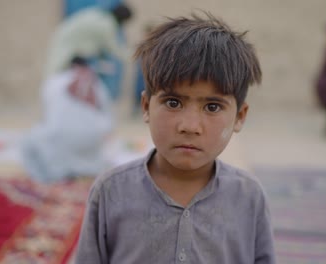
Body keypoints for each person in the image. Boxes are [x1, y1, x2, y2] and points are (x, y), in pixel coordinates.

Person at [75, 12, 276, 263]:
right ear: (146, 107)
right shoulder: (111, 191)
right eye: (173, 102)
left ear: (240, 117)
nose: (190, 126)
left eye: (212, 107)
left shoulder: (248, 196)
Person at [21, 56, 114, 182]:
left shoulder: (55, 81)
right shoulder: (99, 84)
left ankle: (45, 182)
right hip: (91, 145)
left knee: (27, 143)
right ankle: (84, 170)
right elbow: (109, 124)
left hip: (61, 143)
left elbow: (46, 117)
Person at [44, 3, 132, 98]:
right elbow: (114, 49)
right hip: (67, 47)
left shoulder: (101, 16)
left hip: (64, 39)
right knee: (58, 79)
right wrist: (135, 56)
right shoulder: (107, 25)